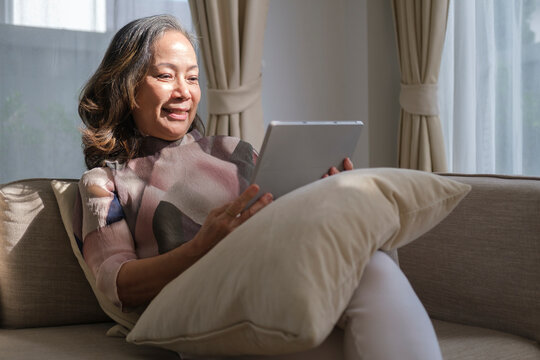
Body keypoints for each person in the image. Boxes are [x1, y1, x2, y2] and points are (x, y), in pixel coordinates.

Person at [76, 14, 442, 360]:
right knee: (373, 272)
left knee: (362, 280)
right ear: (128, 88)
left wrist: (322, 195)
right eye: (165, 76)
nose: (184, 92)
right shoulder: (105, 183)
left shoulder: (235, 150)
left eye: (192, 77)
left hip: (270, 286)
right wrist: (201, 247)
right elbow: (117, 285)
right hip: (198, 305)